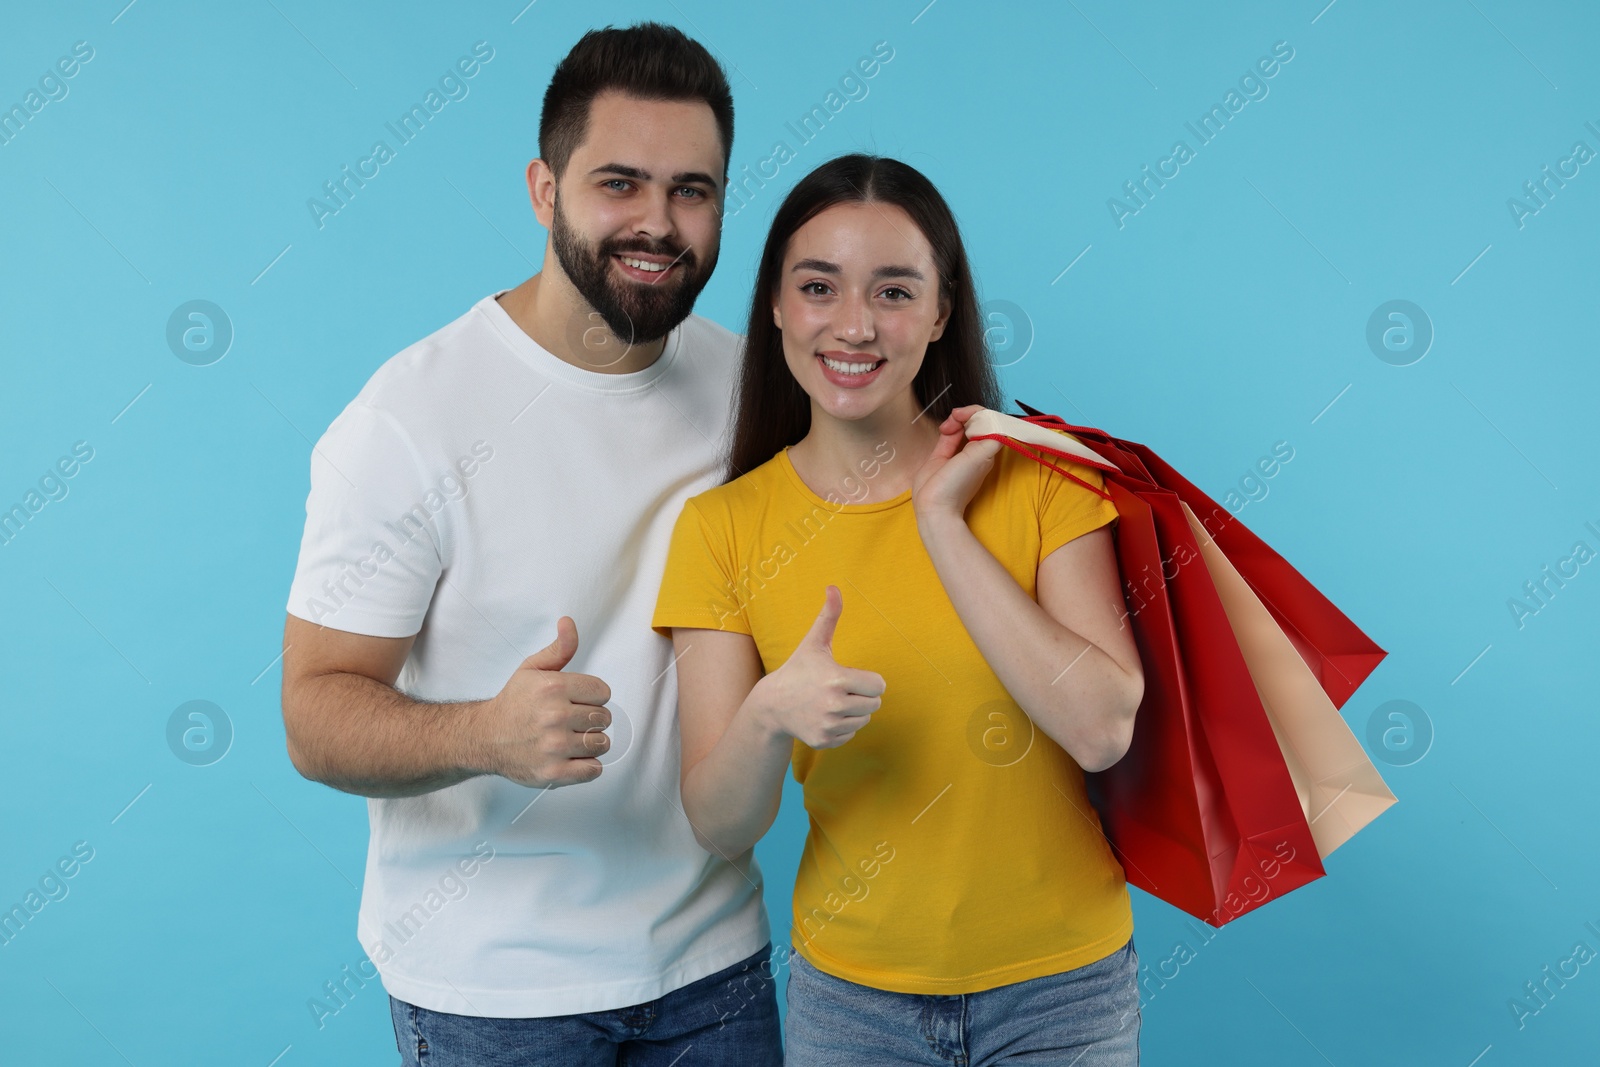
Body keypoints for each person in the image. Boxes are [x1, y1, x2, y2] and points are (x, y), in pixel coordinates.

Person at [279, 23, 782, 1065]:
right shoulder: (408, 420)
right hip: (492, 989)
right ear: (543, 189)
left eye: (693, 189)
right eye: (619, 183)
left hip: (714, 963)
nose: (658, 221)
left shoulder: (750, 393)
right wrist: (484, 732)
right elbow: (314, 712)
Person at [652, 153, 1148, 1065]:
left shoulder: (1040, 482)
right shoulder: (720, 528)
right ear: (773, 304)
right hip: (854, 1007)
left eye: (893, 291)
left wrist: (942, 524)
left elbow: (1102, 726)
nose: (853, 326)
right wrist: (767, 716)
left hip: (1062, 993)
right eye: (818, 286)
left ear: (942, 311)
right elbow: (721, 824)